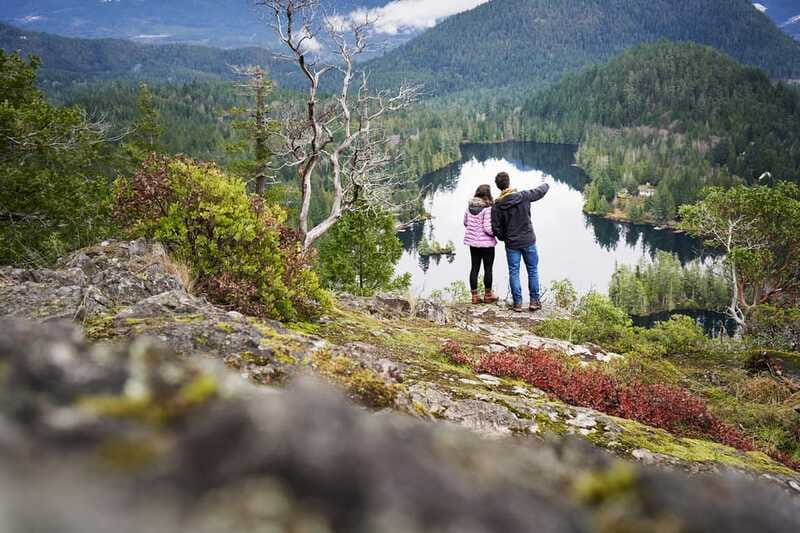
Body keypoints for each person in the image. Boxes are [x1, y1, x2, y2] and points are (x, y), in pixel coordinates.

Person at [491, 171, 549, 313]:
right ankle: (534, 301)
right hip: (528, 240)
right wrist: (547, 184)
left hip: (512, 244)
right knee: (532, 270)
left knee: (514, 272)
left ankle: (517, 303)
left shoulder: (497, 206)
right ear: (509, 182)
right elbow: (539, 192)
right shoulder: (523, 196)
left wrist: (504, 237)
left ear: (498, 186)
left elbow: (496, 228)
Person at [463, 184, 499, 305]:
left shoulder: (469, 208)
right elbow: (488, 228)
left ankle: (474, 297)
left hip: (473, 243)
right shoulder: (487, 209)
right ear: (487, 195)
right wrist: (496, 233)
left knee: (474, 267)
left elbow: (465, 223)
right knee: (488, 268)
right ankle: (488, 295)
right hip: (487, 244)